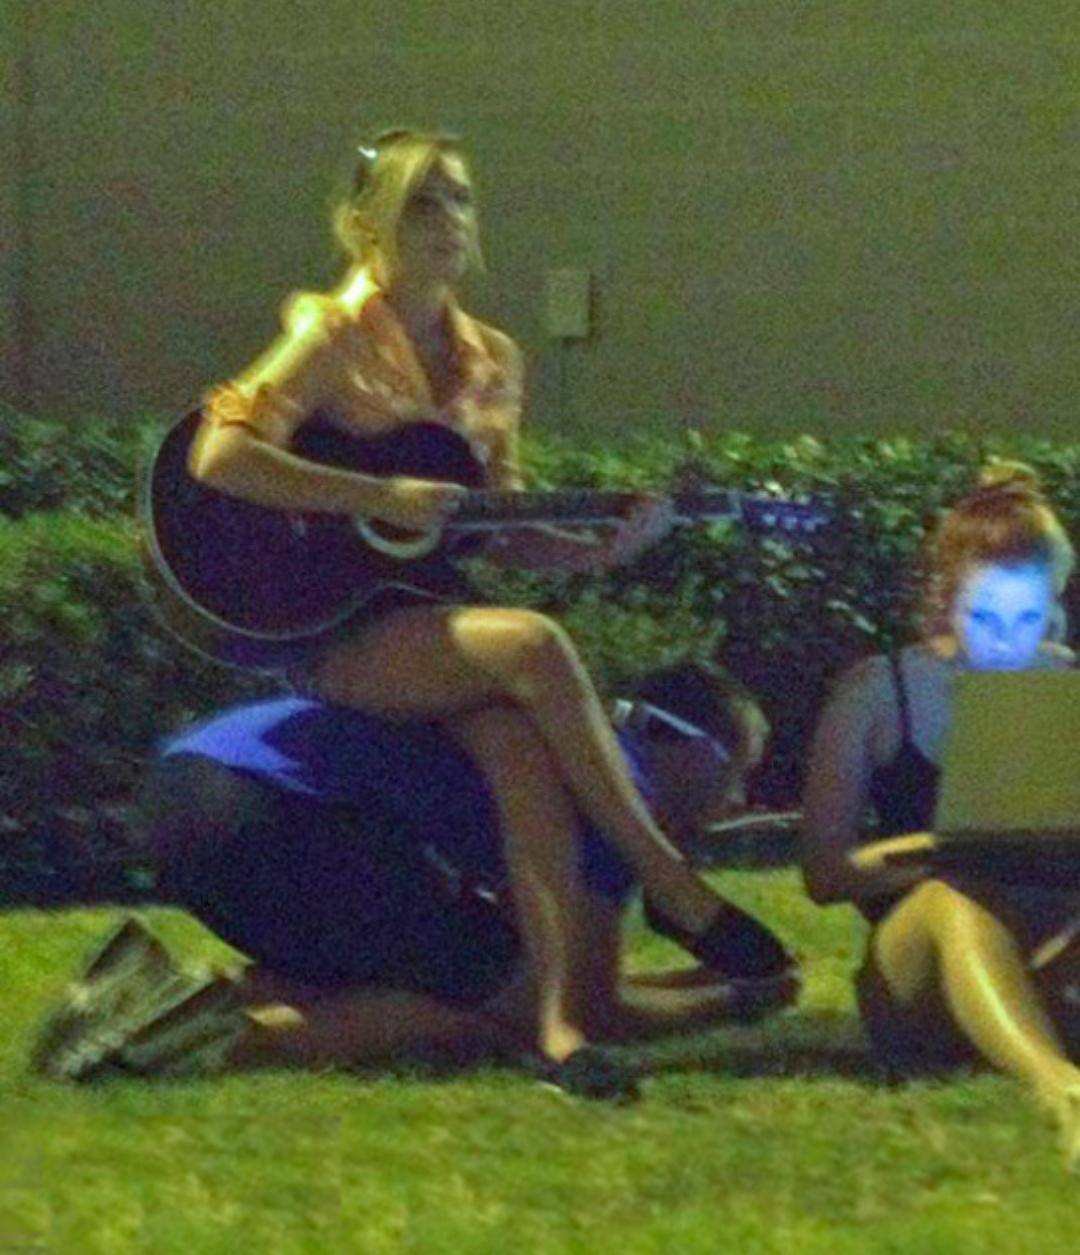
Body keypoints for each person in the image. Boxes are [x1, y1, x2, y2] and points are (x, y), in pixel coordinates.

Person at [182, 127, 793, 1071]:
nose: (450, 220)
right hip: (336, 623)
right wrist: (376, 494)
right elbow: (218, 456)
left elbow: (494, 528)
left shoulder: (494, 360)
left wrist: (602, 547)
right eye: (423, 201)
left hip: (435, 618)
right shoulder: (333, 334)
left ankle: (556, 1022)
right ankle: (665, 878)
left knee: (519, 748)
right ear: (368, 224)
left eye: (460, 198)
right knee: (533, 646)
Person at [32, 662, 799, 1100]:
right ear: (687, 747)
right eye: (741, 770)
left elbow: (550, 967)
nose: (738, 801)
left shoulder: (577, 736)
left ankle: (150, 997)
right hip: (282, 813)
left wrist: (690, 979)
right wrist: (738, 998)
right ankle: (191, 1043)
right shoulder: (614, 784)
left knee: (435, 968)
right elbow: (581, 1007)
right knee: (503, 1014)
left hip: (188, 789)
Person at [801, 460, 1080, 1166]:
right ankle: (1060, 1084)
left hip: (1051, 949)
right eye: (983, 617)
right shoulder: (879, 691)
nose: (1006, 641)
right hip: (919, 965)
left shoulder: (1067, 688)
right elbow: (823, 875)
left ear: (1055, 606)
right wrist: (939, 846)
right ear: (946, 599)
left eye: (1028, 619)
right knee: (953, 895)